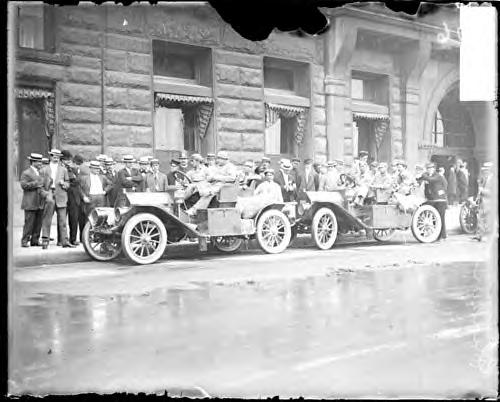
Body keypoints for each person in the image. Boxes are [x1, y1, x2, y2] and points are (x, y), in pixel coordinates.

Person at [39, 149, 74, 249]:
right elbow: (40, 187)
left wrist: (64, 184)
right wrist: (46, 195)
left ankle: (64, 241)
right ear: (50, 156)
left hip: (61, 195)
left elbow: (68, 183)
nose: (56, 157)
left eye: (58, 156)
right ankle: (45, 240)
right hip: (50, 193)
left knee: (63, 220)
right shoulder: (44, 170)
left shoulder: (63, 170)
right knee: (47, 219)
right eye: (54, 155)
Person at [20, 153, 47, 247]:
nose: (40, 163)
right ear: (33, 162)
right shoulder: (26, 173)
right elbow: (23, 185)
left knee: (38, 223)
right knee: (29, 223)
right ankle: (24, 241)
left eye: (40, 161)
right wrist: (36, 183)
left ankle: (35, 240)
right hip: (30, 202)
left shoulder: (41, 172)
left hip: (40, 201)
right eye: (38, 162)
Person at [417, 162, 448, 240]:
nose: (429, 170)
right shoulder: (427, 176)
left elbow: (431, 180)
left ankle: (442, 236)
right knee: (434, 217)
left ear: (434, 169)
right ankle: (436, 234)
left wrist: (423, 175)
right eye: (428, 169)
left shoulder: (437, 176)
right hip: (432, 199)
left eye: (431, 168)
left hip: (440, 200)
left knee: (440, 218)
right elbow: (419, 180)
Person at [473, 162, 494, 241]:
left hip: (489, 202)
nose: (485, 172)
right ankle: (479, 235)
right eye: (484, 170)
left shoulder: (493, 179)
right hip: (483, 202)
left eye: (486, 170)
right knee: (480, 219)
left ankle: (487, 236)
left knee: (488, 220)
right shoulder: (485, 179)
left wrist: (483, 191)